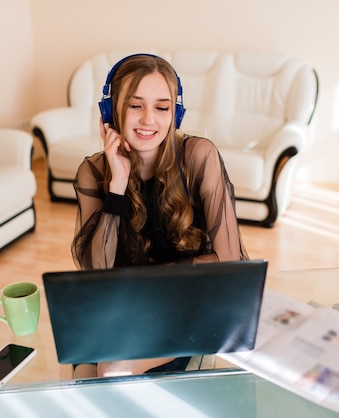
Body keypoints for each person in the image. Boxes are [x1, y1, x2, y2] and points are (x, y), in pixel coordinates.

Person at [71, 53, 249, 378]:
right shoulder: (93, 171)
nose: (148, 120)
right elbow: (96, 271)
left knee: (111, 370)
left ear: (176, 114)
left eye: (162, 107)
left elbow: (228, 261)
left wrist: (145, 281)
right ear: (111, 112)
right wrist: (118, 186)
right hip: (126, 308)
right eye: (135, 105)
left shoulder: (198, 156)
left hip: (188, 304)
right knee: (83, 375)